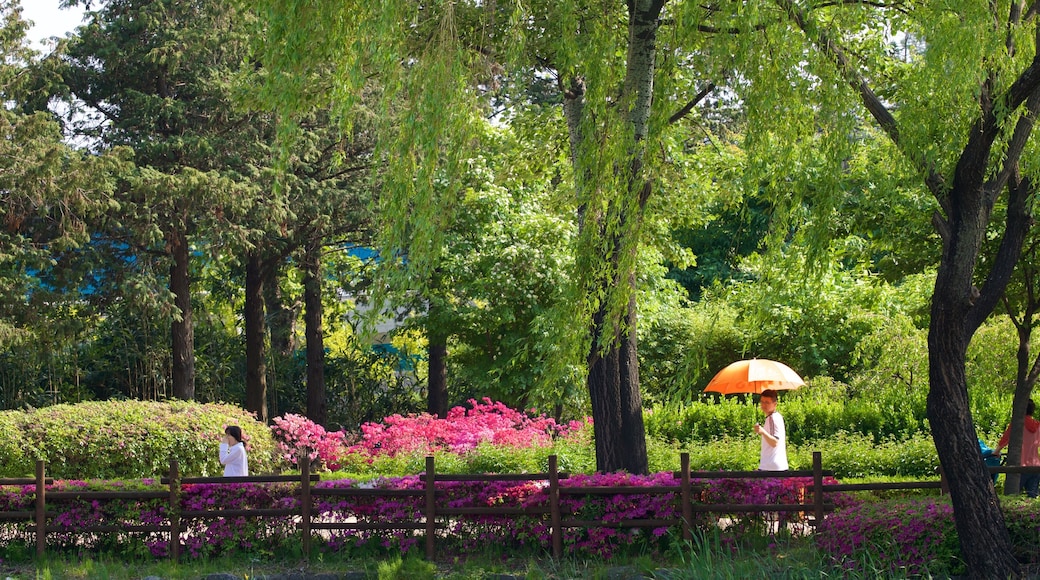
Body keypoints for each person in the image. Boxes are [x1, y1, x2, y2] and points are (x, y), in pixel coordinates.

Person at [994, 399, 1040, 498]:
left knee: (1013, 496)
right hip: (1036, 466)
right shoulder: (1038, 426)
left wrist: (996, 452)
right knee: (1032, 497)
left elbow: (1005, 440)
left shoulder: (1016, 425)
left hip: (1019, 466)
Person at [753, 389, 788, 471]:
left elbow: (774, 442)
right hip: (775, 466)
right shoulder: (777, 416)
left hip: (770, 467)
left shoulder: (772, 418)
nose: (764, 405)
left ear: (775, 404)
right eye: (762, 402)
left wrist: (762, 432)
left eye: (767, 402)